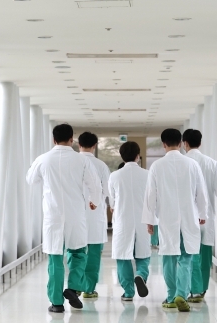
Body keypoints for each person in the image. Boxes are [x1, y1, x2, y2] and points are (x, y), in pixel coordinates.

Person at [26, 123, 101, 313]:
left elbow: (30, 179)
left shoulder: (43, 159)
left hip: (53, 215)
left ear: (53, 139)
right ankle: (73, 287)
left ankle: (56, 303)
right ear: (72, 139)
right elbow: (95, 184)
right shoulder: (81, 161)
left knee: (55, 259)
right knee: (77, 253)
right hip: (76, 214)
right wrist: (95, 201)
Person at [141, 128, 208, 312]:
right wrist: (202, 214)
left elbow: (150, 195)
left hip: (167, 219)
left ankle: (171, 297)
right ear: (181, 144)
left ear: (163, 144)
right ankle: (181, 293)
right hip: (189, 217)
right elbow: (201, 193)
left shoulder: (157, 166)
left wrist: (149, 219)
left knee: (169, 257)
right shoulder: (192, 164)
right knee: (186, 258)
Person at [182, 129, 217, 303]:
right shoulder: (211, 163)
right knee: (204, 254)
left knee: (189, 254)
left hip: (187, 217)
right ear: (200, 143)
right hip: (207, 217)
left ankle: (193, 288)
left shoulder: (183, 163)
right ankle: (202, 288)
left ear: (185, 144)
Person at [109, 141, 151, 301]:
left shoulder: (114, 176)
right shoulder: (147, 175)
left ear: (122, 156)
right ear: (138, 156)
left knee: (123, 256)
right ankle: (140, 274)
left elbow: (112, 203)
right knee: (143, 254)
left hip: (122, 220)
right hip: (143, 220)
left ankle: (128, 292)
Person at [78, 132, 110, 299]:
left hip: (75, 215)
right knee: (93, 254)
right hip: (95, 214)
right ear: (95, 145)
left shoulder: (72, 162)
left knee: (75, 252)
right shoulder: (101, 165)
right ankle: (89, 289)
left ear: (78, 144)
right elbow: (107, 190)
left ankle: (76, 285)